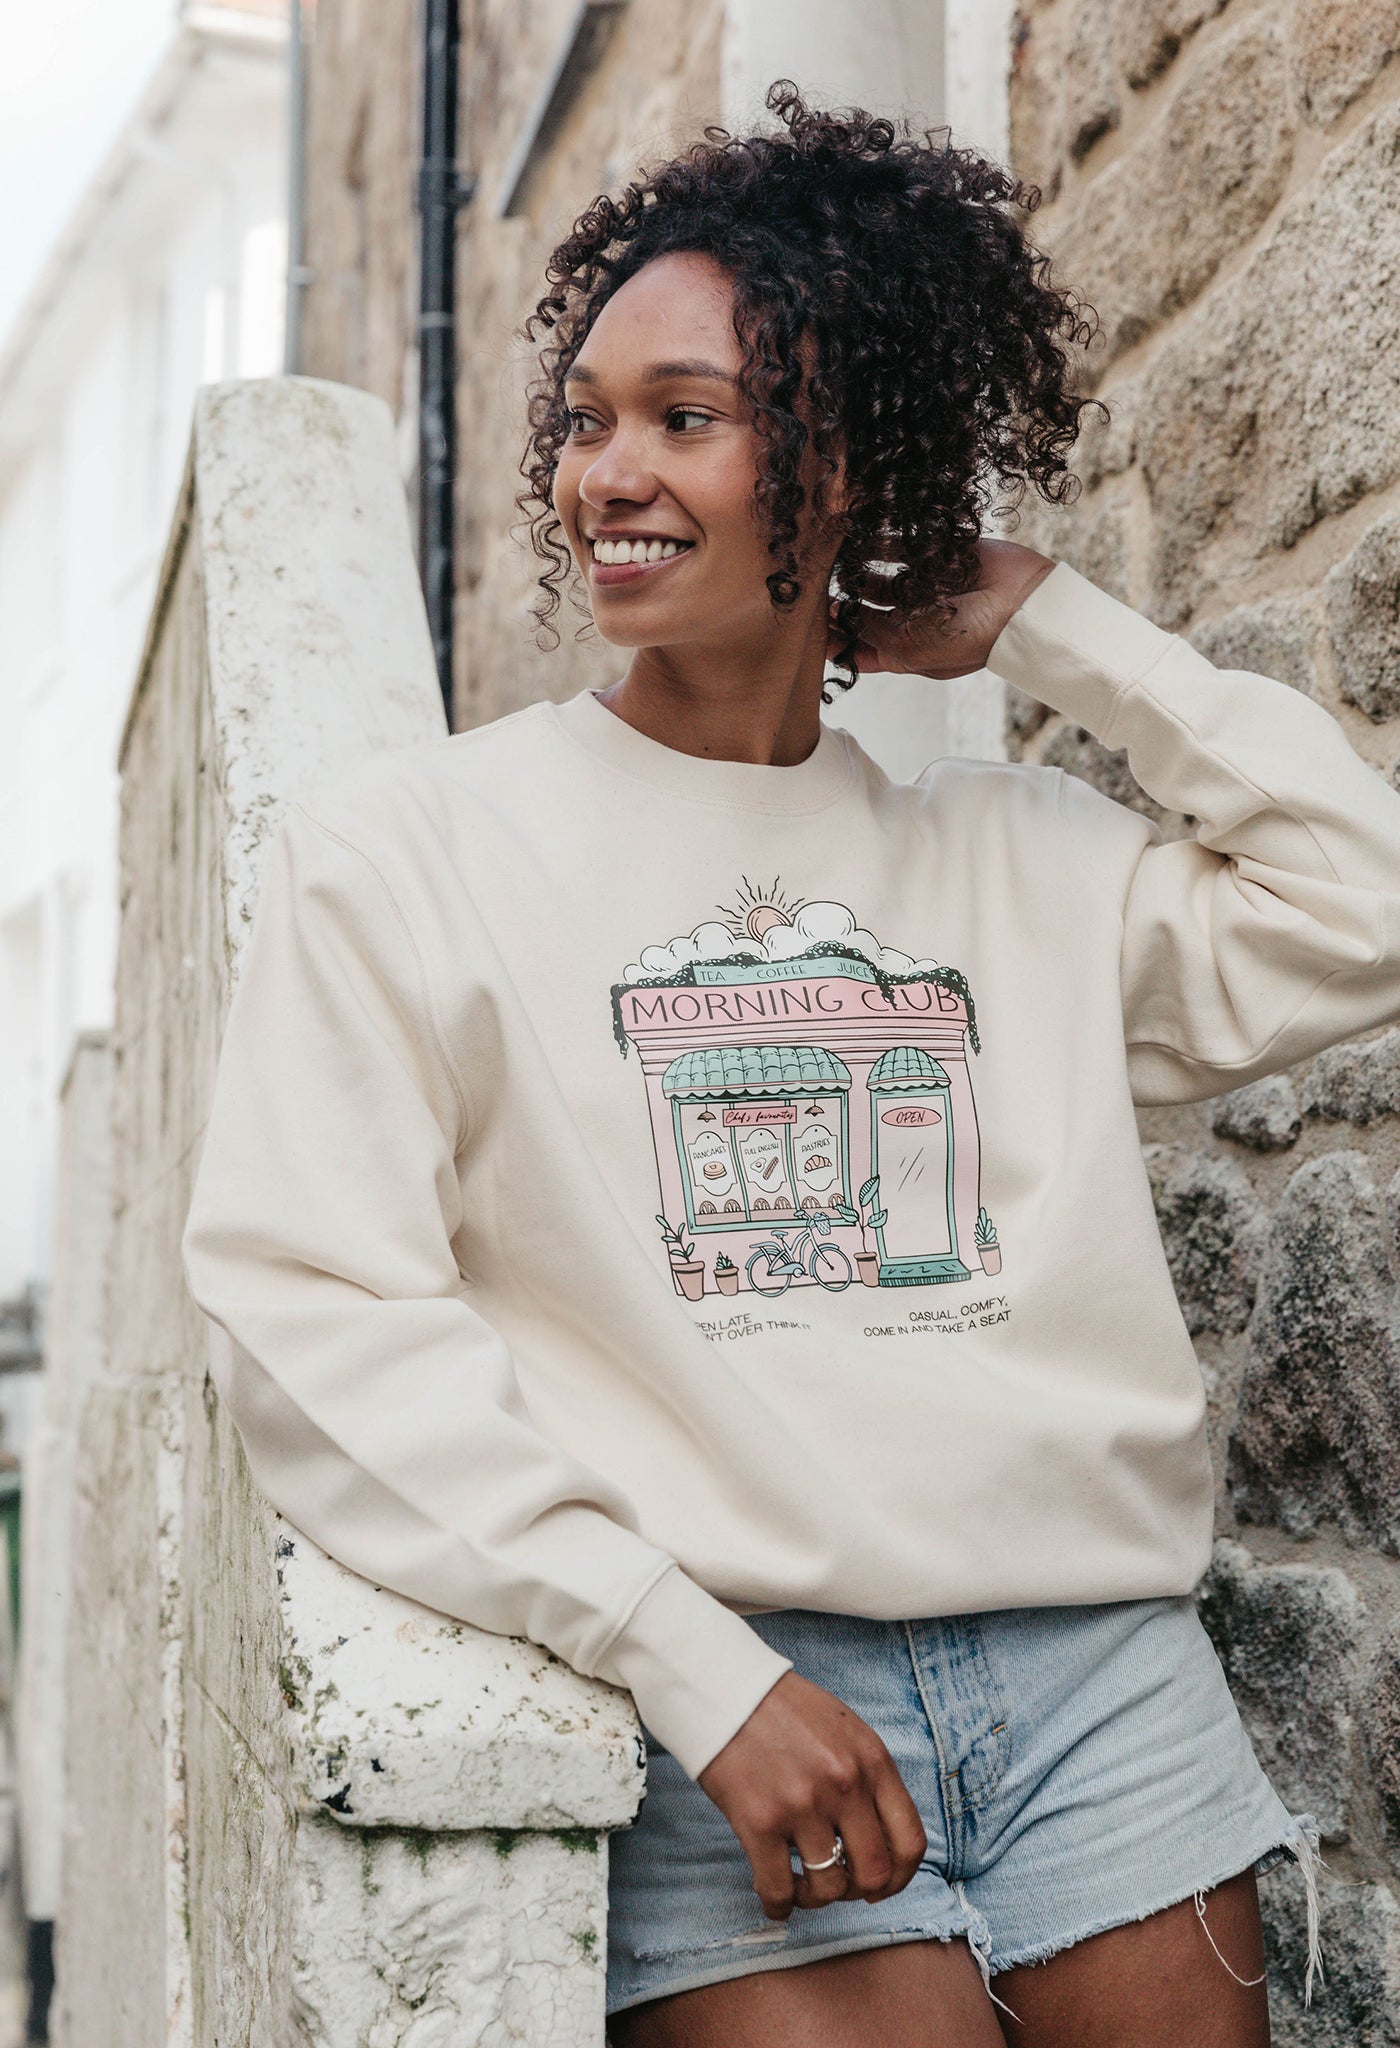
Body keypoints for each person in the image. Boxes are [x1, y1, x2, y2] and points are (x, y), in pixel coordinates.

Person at [180, 83, 1400, 2046]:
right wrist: (685, 1664)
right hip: (733, 1693)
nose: (606, 475)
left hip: (1101, 1683)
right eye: (585, 420)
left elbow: (1365, 906)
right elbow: (304, 1305)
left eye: (687, 415)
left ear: (838, 462)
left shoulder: (1016, 857)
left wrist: (1054, 625)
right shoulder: (408, 852)